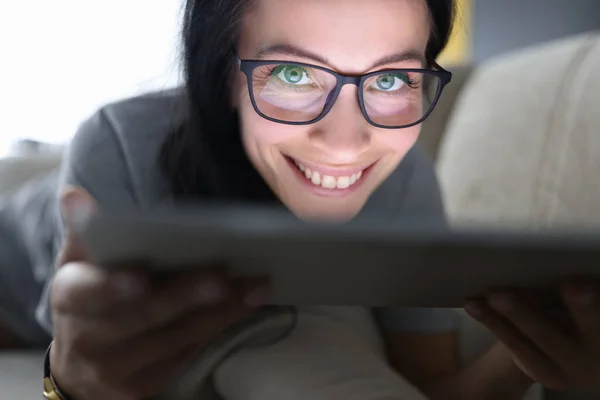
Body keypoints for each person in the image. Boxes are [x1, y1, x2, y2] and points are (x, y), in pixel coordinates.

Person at [1, 0, 599, 399]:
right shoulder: (120, 145)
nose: (346, 142)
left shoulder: (406, 182)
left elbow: (432, 383)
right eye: (293, 74)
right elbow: (82, 370)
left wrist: (545, 360)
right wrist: (67, 383)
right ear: (221, 76)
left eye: (391, 79)